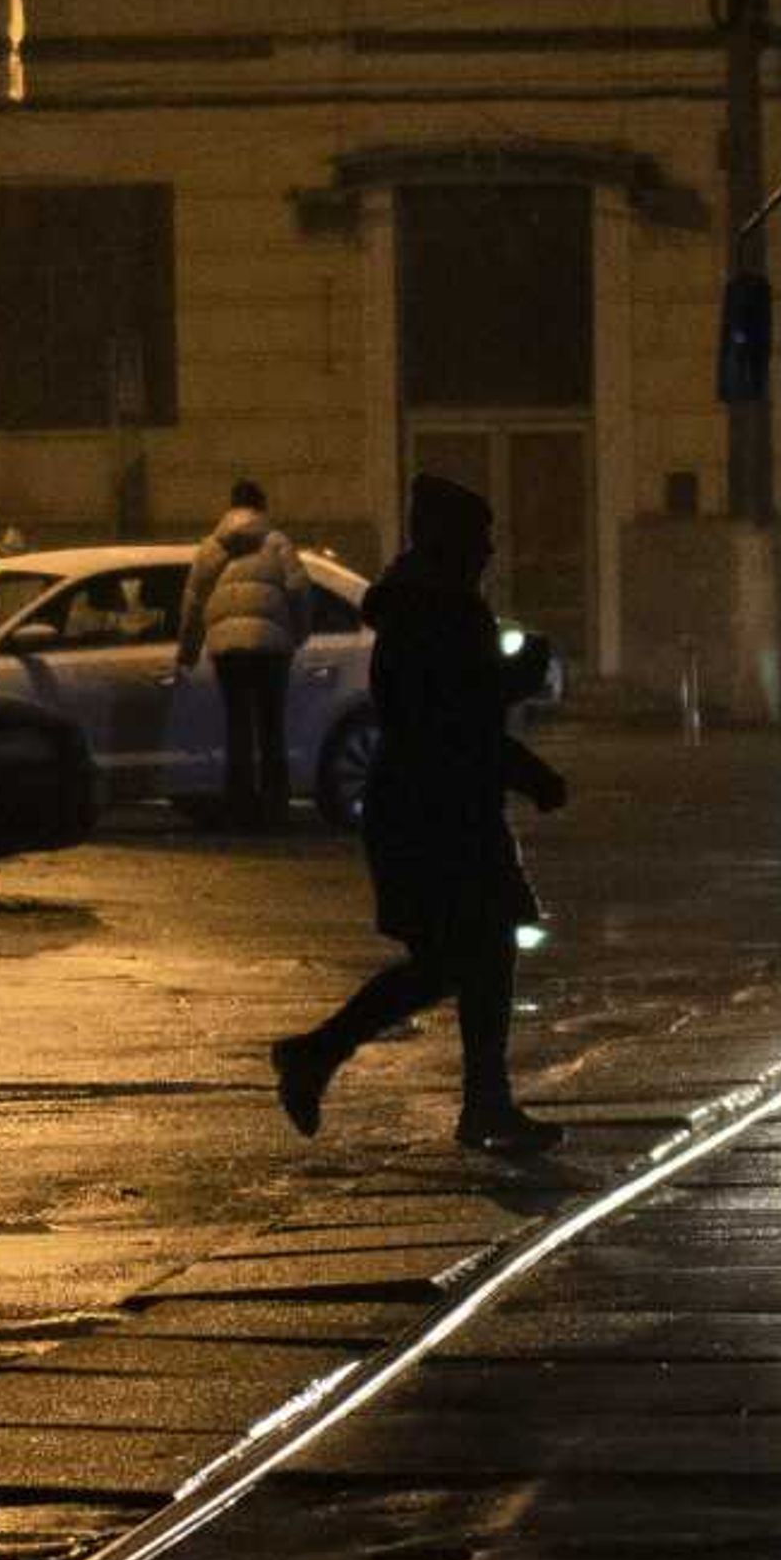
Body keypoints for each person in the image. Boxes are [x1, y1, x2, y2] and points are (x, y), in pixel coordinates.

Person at [268, 472, 568, 1155]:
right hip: (437, 815)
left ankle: (474, 1099)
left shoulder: (422, 606)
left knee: (474, 954)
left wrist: (515, 743)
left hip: (431, 809)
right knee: (462, 956)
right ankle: (321, 1055)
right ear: (450, 542)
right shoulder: (443, 612)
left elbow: (453, 710)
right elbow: (456, 718)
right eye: (480, 538)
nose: (490, 551)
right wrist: (527, 743)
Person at [177, 478, 309, 828]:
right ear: (261, 507)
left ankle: (240, 807)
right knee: (271, 728)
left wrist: (188, 650)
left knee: (238, 727)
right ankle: (275, 809)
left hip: (227, 649)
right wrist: (299, 632)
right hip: (271, 648)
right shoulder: (278, 543)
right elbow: (298, 589)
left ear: (231, 507)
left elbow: (192, 600)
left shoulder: (211, 547)